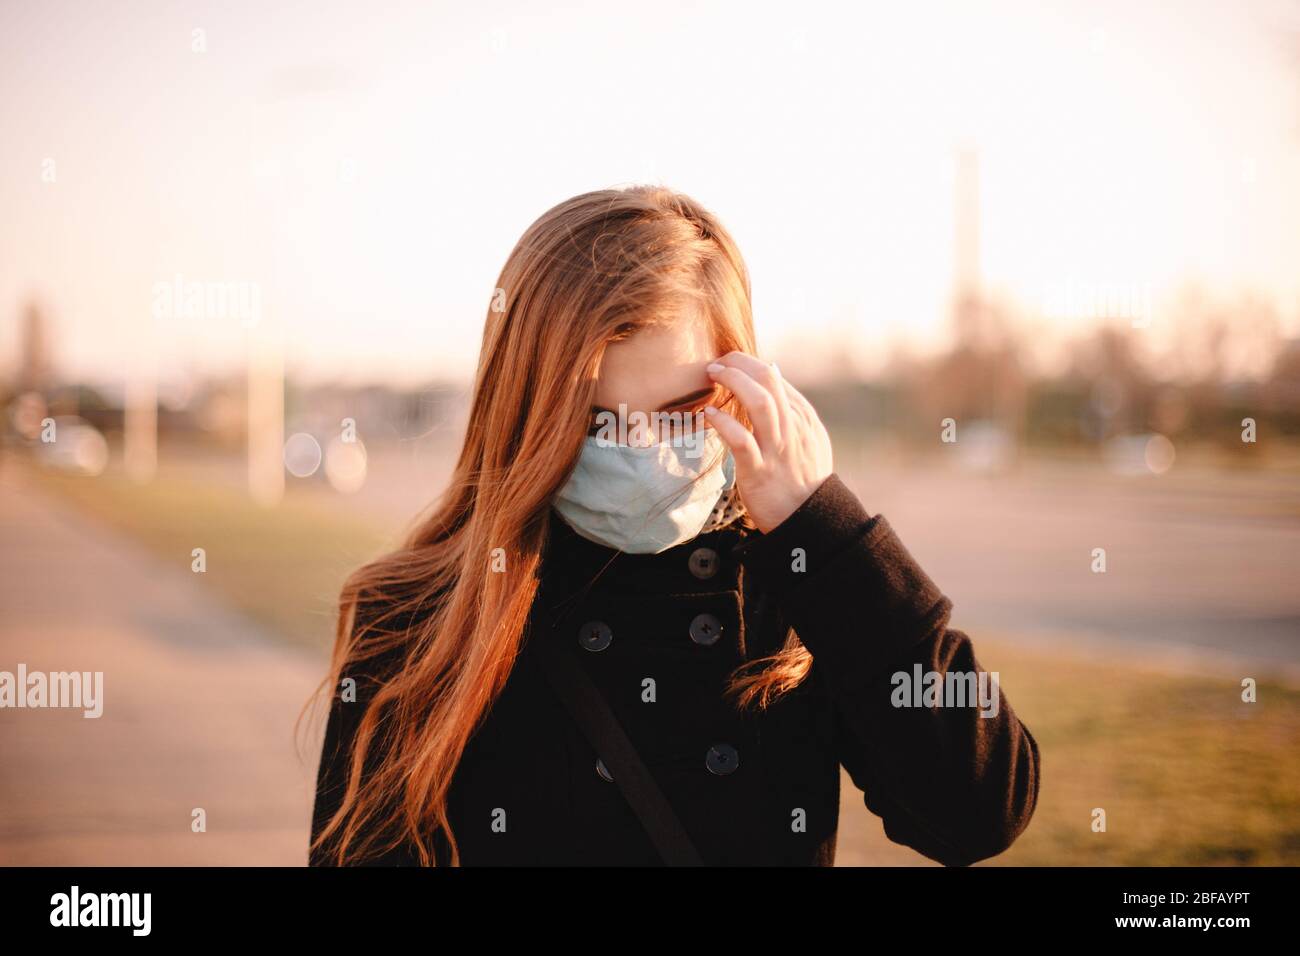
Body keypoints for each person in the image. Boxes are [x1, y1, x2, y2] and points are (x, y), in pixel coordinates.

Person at [306, 184, 1040, 866]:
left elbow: (979, 810)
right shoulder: (411, 617)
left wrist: (825, 528)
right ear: (525, 410)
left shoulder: (794, 592)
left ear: (749, 388)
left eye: (685, 409)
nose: (644, 453)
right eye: (597, 420)